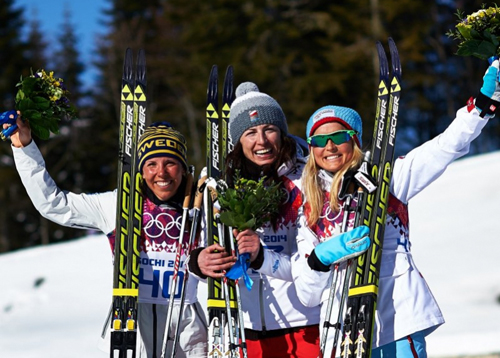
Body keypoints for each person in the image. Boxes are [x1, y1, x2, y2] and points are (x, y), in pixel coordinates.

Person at [289, 60, 500, 357]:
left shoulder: (387, 179)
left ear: (355, 141)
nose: (330, 147)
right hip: (343, 332)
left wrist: (481, 106)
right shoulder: (309, 208)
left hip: (397, 322)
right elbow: (308, 295)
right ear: (310, 149)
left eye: (338, 137)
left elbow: (443, 148)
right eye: (319, 141)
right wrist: (320, 259)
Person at [6, 117, 207, 358]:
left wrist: (206, 265)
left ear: (183, 168)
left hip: (187, 335)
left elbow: (224, 273)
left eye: (170, 163)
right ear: (141, 171)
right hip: (131, 328)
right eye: (151, 164)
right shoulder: (116, 204)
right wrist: (24, 148)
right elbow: (54, 204)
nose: (161, 173)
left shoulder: (201, 210)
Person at [188, 82, 321, 358]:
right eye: (250, 132)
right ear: (238, 140)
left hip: (305, 326)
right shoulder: (220, 186)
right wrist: (199, 263)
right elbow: (200, 247)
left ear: (281, 133)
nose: (261, 141)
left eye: (269, 129)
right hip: (243, 332)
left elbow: (313, 262)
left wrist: (261, 255)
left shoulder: (307, 178)